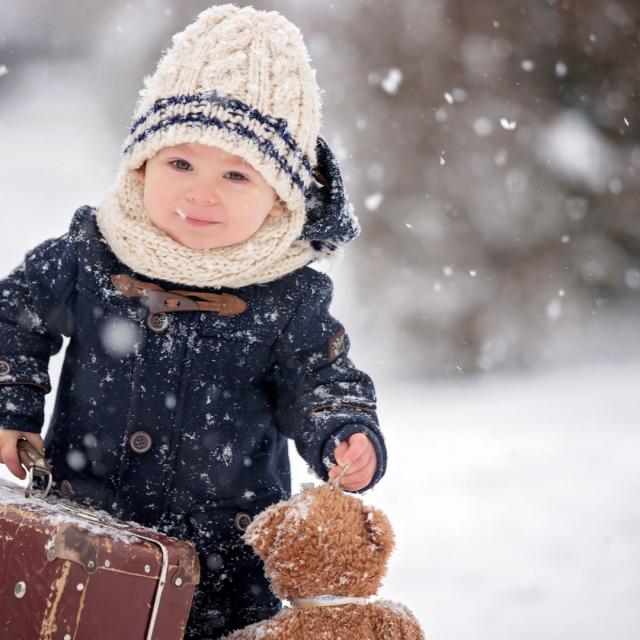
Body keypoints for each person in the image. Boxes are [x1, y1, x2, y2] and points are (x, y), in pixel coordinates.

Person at [0, 4, 387, 638]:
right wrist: (10, 405)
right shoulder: (92, 254)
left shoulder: (286, 297)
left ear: (280, 200)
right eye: (180, 163)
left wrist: (343, 430)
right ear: (142, 164)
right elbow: (11, 318)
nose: (200, 193)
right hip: (81, 544)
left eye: (236, 174)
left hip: (221, 573)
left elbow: (320, 378)